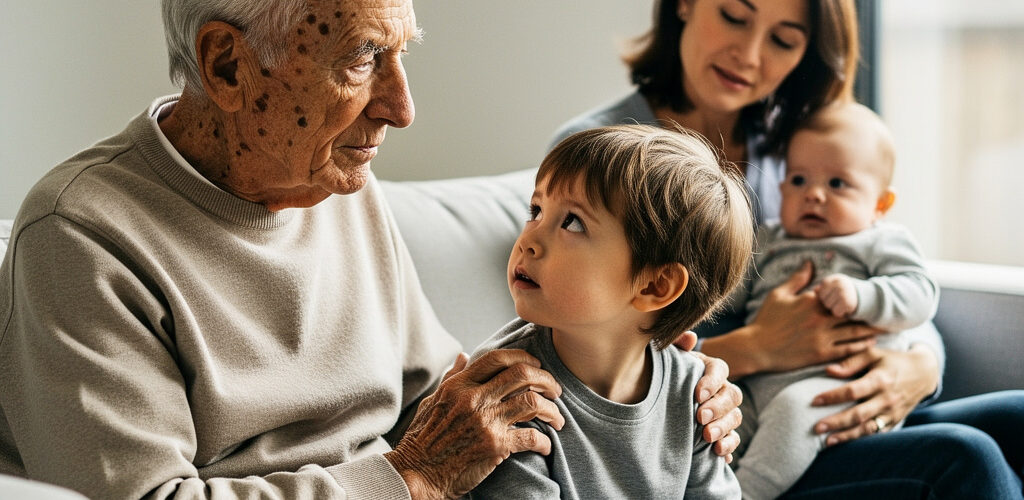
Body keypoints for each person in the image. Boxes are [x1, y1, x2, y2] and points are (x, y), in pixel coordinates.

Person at [0, 1, 744, 498]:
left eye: (400, 54)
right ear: (228, 66)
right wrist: (407, 478)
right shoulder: (82, 236)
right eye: (362, 58)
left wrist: (652, 380)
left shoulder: (339, 185)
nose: (403, 107)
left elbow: (446, 396)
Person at [550, 0, 1024, 497]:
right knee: (967, 456)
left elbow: (876, 260)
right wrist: (755, 347)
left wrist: (921, 365)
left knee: (1017, 416)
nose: (749, 55)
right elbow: (585, 352)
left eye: (783, 40)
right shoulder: (599, 150)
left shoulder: (798, 148)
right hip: (733, 428)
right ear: (685, 4)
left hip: (839, 385)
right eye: (734, 16)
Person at [470, 124, 750, 499]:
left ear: (654, 286)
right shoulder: (510, 390)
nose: (529, 240)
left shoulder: (696, 394)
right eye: (536, 211)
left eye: (572, 222)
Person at [731, 101, 939, 499]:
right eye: (798, 180)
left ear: (880, 204)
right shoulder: (768, 240)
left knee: (793, 414)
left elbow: (920, 293)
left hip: (834, 388)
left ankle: (745, 495)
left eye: (837, 184)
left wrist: (863, 295)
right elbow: (726, 295)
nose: (813, 196)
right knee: (720, 423)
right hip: (757, 384)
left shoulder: (879, 241)